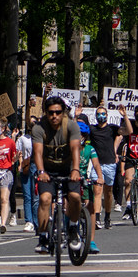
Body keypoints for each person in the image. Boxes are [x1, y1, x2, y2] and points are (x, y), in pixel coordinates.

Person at [31, 97, 83, 253]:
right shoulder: (39, 128)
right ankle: (43, 236)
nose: (54, 116)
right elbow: (37, 152)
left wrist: (75, 169)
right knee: (45, 199)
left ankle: (73, 228)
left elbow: (75, 149)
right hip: (47, 170)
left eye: (58, 112)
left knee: (75, 197)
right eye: (51, 113)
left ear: (63, 112)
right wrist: (41, 172)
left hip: (68, 169)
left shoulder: (72, 126)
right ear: (46, 113)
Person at [87, 105, 130, 229]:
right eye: (99, 114)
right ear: (95, 116)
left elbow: (129, 131)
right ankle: (97, 218)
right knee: (97, 191)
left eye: (103, 114)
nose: (101, 116)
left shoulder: (112, 129)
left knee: (108, 192)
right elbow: (78, 131)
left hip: (110, 164)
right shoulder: (92, 129)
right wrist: (76, 116)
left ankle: (107, 216)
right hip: (96, 165)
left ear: (107, 115)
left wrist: (125, 116)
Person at [76, 119, 103, 253]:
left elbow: (96, 164)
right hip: (72, 179)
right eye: (77, 134)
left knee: (91, 207)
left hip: (85, 180)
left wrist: (100, 177)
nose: (80, 137)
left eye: (82, 135)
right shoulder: (70, 148)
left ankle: (91, 240)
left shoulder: (90, 149)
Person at [0, 120, 18, 233]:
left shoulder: (10, 142)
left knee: (4, 199)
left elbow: (13, 158)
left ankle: (3, 224)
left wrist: (17, 158)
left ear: (3, 129)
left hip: (5, 172)